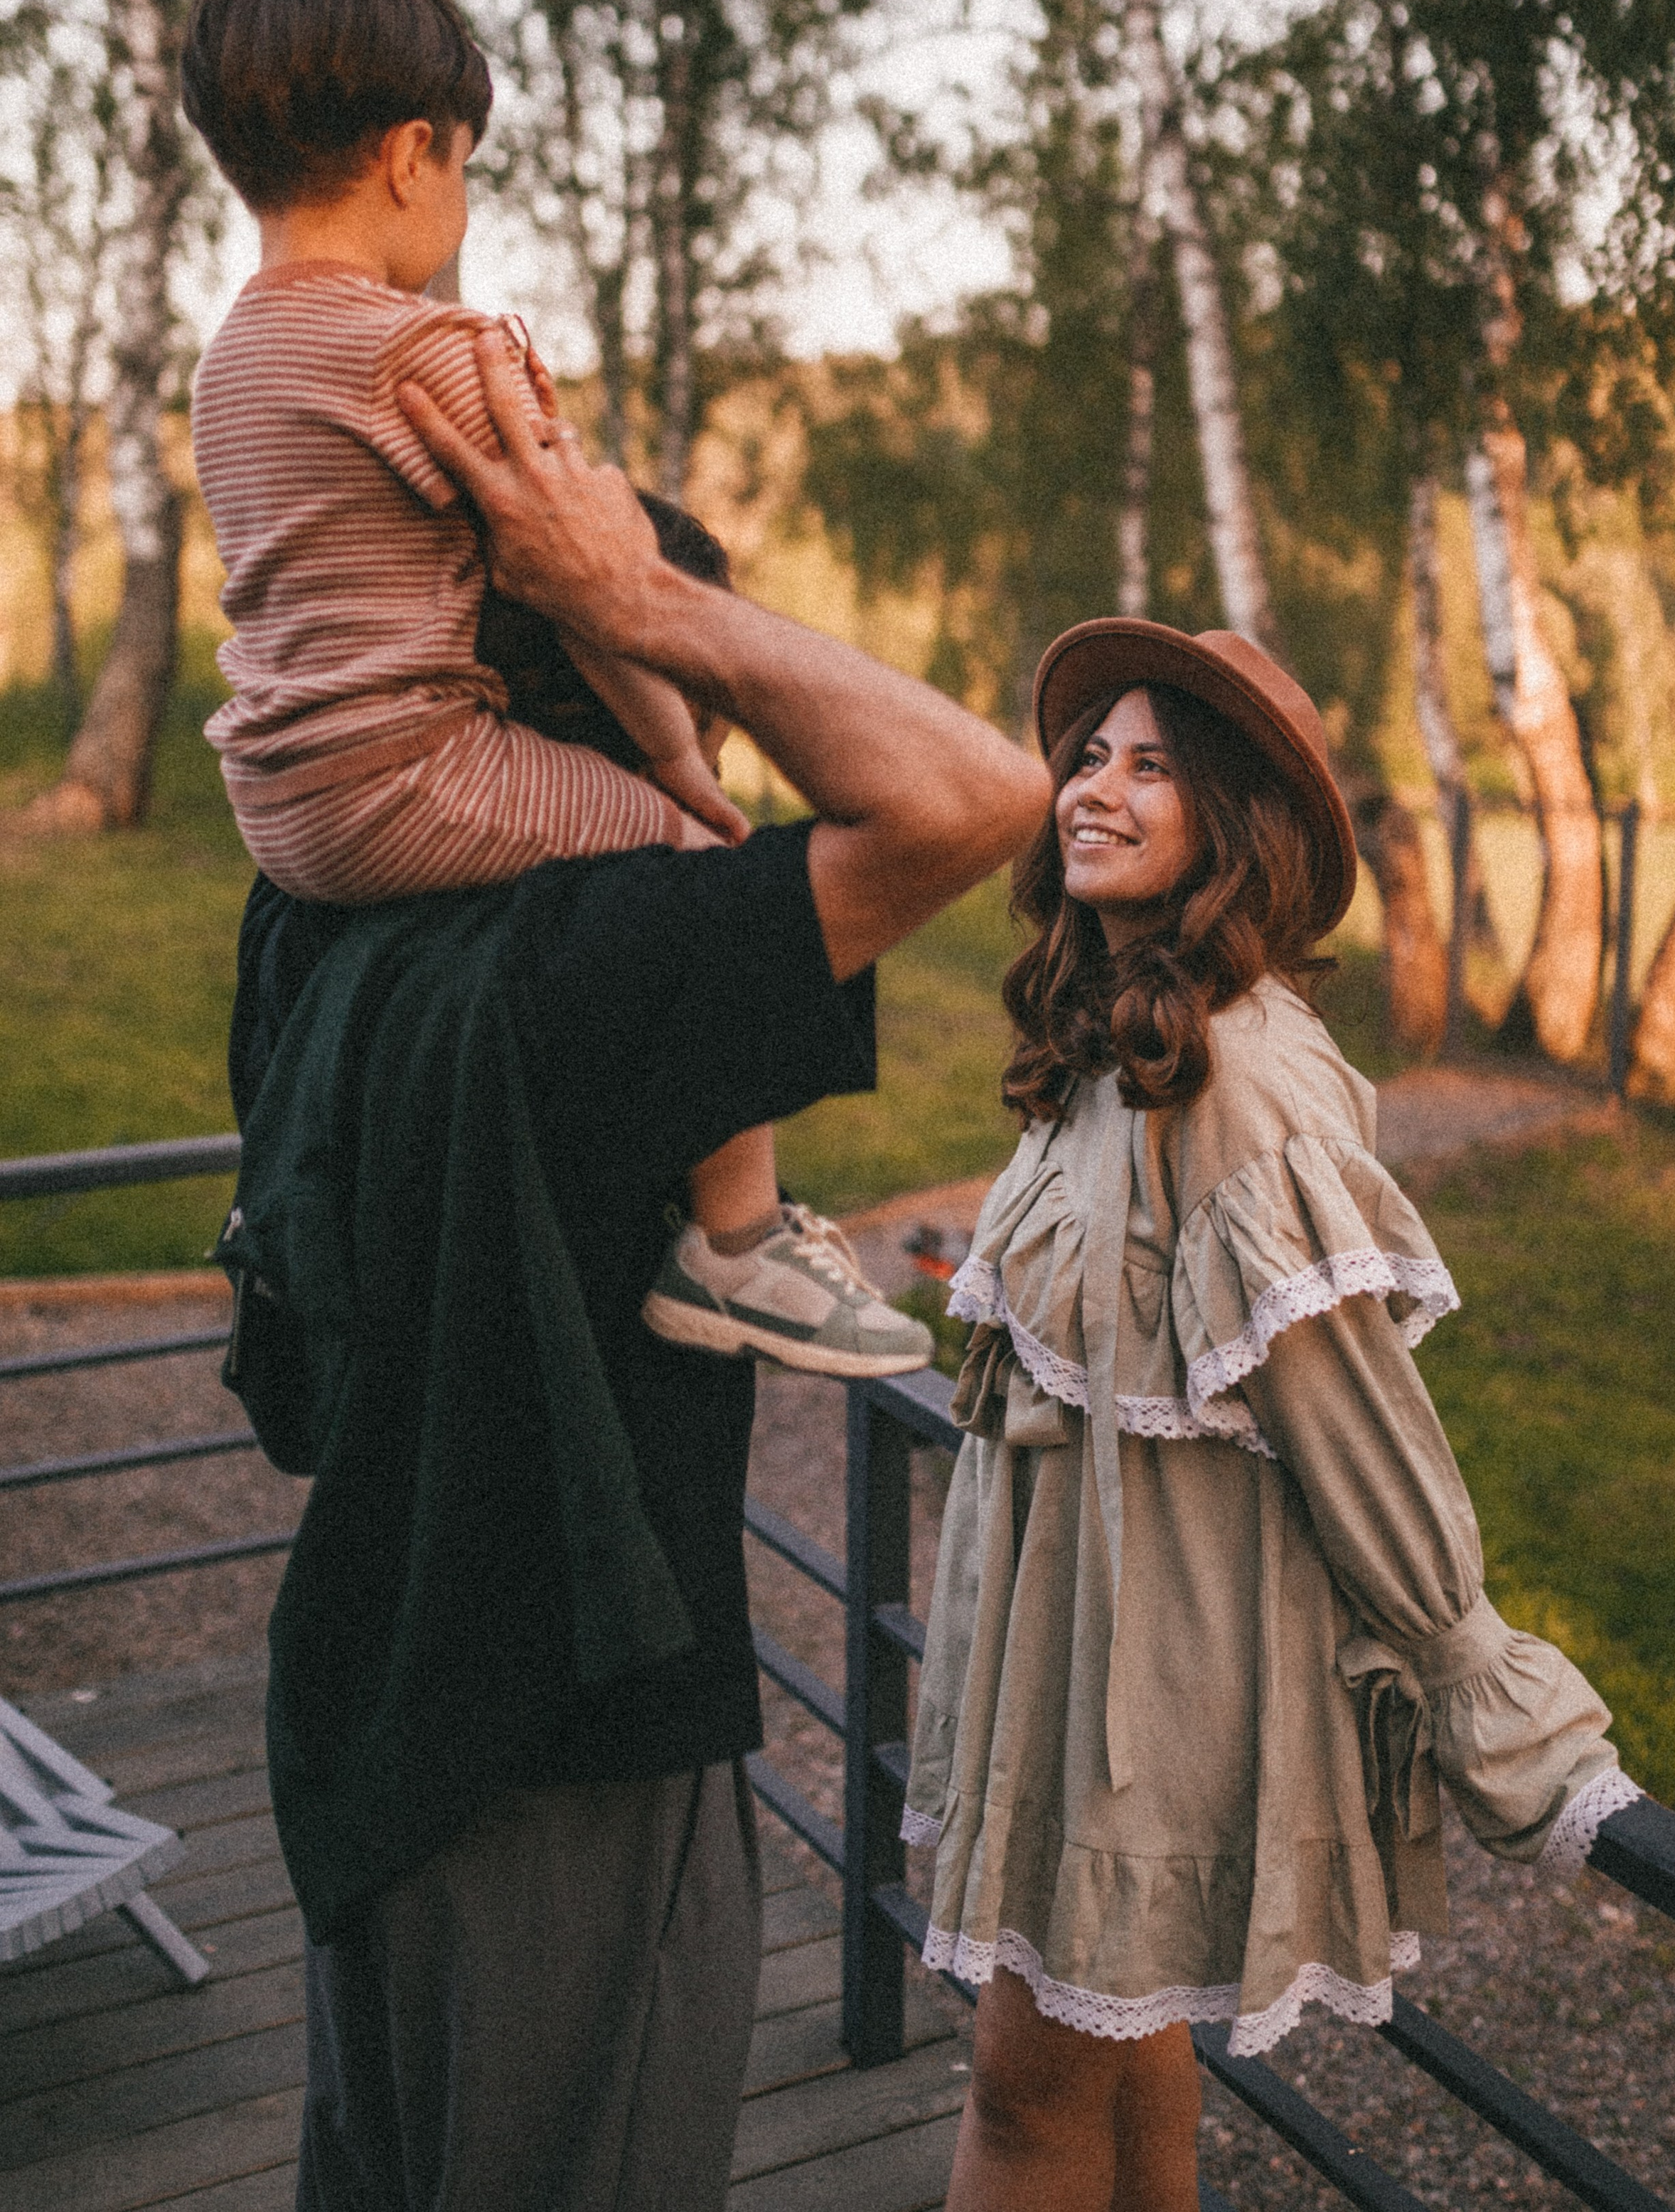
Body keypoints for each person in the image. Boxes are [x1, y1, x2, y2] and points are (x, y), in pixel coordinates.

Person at [222, 341, 1053, 2212]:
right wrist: (645, 595)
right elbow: (974, 794)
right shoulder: (595, 957)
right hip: (563, 1735)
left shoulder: (313, 918)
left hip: (361, 1704)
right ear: (619, 673)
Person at [901, 619, 1643, 2212]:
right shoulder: (1115, 1042)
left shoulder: (1233, 1074)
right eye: (1086, 756)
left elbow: (1350, 1406)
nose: (1090, 791)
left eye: (1149, 767)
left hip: (1148, 1681)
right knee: (1127, 2046)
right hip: (1076, 1657)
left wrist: (1470, 1676)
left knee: (1021, 2090)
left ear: (1231, 827)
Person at [182, 0, 929, 1383]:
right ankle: (736, 1242)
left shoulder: (229, 362)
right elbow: (603, 593)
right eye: (463, 166)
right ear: (413, 154)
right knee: (703, 882)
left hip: (282, 802)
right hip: (410, 771)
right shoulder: (438, 353)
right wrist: (669, 763)